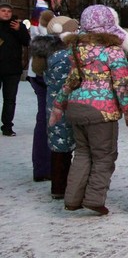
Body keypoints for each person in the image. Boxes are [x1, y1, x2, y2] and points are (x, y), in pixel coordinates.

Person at [49, 4, 128, 215]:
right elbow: (122, 84)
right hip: (101, 111)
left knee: (82, 153)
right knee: (104, 155)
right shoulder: (112, 51)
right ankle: (94, 199)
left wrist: (59, 105)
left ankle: (72, 199)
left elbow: (71, 80)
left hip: (76, 107)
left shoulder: (76, 49)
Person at [30, 15, 79, 199]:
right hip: (68, 101)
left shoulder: (47, 51)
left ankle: (58, 187)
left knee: (59, 145)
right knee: (73, 145)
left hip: (52, 101)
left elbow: (38, 72)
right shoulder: (68, 54)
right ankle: (70, 186)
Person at [29, 0, 65, 181]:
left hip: (39, 72)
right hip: (45, 73)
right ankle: (45, 167)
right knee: (47, 119)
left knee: (46, 118)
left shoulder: (41, 12)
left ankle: (45, 166)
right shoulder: (46, 15)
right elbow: (53, 41)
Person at [0, 3, 31, 137]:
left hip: (12, 69)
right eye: (3, 11)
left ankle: (7, 126)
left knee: (10, 99)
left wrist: (19, 30)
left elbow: (27, 42)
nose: (6, 13)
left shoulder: (18, 26)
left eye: (8, 11)